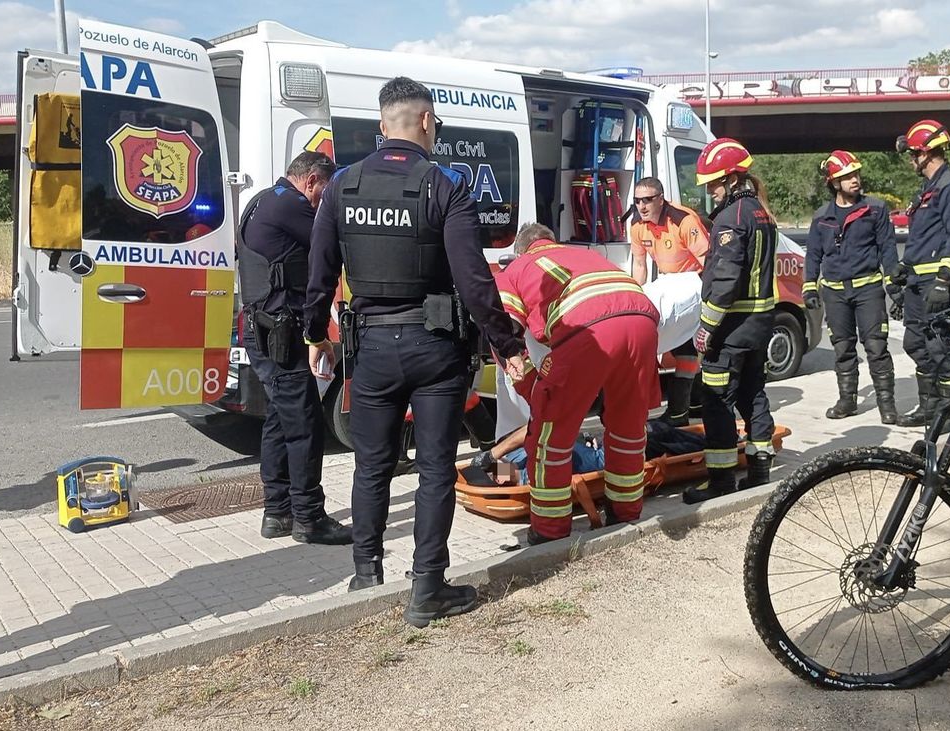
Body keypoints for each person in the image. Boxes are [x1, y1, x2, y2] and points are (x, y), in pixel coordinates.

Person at [304, 77, 527, 628]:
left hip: (371, 348)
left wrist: (317, 336)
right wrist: (509, 344)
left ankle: (366, 574)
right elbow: (474, 281)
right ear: (427, 121)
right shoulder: (445, 185)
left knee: (371, 464)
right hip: (435, 349)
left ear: (385, 126)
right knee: (432, 469)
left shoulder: (342, 186)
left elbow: (319, 271)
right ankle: (427, 587)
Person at [494, 223, 660, 543]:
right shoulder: (584, 254)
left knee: (548, 439)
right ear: (552, 241)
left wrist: (530, 385)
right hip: (642, 320)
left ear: (520, 251)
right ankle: (624, 513)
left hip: (588, 329)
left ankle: (549, 531)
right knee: (628, 428)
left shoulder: (517, 268)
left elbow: (502, 329)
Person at [238, 151, 351, 545]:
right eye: (324, 192)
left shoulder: (259, 202)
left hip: (260, 327)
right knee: (303, 423)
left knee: (279, 417)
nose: (323, 201)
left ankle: (277, 512)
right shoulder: (292, 205)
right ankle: (309, 518)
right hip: (281, 331)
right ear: (312, 181)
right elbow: (334, 244)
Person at [683, 138, 778, 504]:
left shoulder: (730, 219)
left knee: (716, 399)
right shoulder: (759, 211)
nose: (711, 191)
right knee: (753, 393)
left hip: (732, 327)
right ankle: (758, 471)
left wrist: (706, 326)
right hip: (758, 323)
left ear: (732, 179)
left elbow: (725, 281)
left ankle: (720, 481)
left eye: (715, 184)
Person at [804, 150, 900, 423]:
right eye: (847, 176)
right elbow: (813, 255)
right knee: (843, 348)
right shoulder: (822, 217)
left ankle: (887, 406)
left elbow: (887, 249)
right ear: (834, 183)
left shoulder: (875, 209)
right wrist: (809, 287)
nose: (854, 180)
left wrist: (894, 282)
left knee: (876, 347)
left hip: (868, 289)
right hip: (834, 293)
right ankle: (848, 402)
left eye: (856, 174)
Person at [890, 119, 950, 429]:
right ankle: (929, 405)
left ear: (926, 153)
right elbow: (924, 237)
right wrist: (904, 267)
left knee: (939, 344)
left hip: (936, 283)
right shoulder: (927, 189)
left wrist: (943, 281)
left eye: (913, 153)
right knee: (915, 342)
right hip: (916, 281)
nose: (911, 160)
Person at [629, 177, 712, 426]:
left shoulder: (683, 221)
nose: (641, 206)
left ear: (661, 199)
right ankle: (690, 405)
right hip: (669, 283)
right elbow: (640, 265)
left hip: (692, 283)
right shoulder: (637, 226)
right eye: (637, 201)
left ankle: (678, 413)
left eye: (647, 200)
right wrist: (636, 295)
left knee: (687, 351)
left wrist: (709, 300)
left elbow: (708, 260)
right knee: (680, 349)